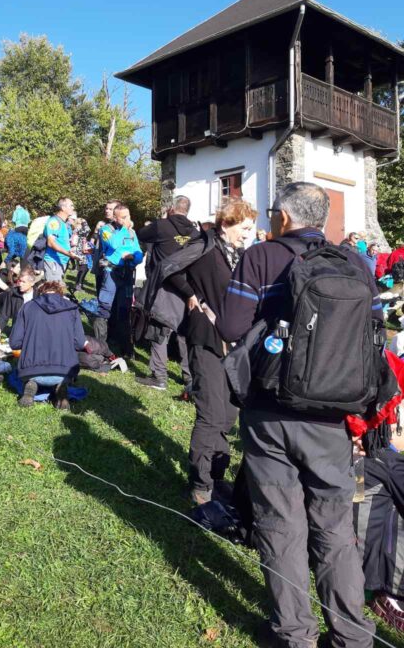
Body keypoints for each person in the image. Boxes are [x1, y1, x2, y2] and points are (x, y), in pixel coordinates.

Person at [217, 182, 380, 648]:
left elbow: (230, 325)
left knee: (279, 522)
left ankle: (294, 633)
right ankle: (352, 636)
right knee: (335, 526)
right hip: (333, 413)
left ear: (283, 217)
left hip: (269, 410)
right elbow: (371, 333)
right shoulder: (355, 263)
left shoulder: (261, 256)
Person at [168, 199, 256, 504]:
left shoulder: (237, 254)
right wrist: (190, 294)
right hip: (205, 337)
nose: (247, 234)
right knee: (211, 413)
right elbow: (171, 267)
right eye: (244, 228)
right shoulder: (205, 247)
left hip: (232, 342)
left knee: (229, 414)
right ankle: (201, 486)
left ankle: (217, 477)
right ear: (227, 223)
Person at [135, 195, 199, 392]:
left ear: (171, 208)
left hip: (163, 286)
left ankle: (159, 377)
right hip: (186, 289)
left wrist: (162, 219)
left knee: (159, 331)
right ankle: (189, 378)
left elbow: (141, 234)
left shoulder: (162, 226)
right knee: (184, 333)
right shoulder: (195, 232)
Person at [9, 280, 86, 409]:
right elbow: (79, 343)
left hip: (31, 370)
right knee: (62, 377)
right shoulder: (72, 308)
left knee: (21, 376)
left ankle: (31, 385)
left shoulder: (27, 307)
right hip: (64, 371)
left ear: (40, 293)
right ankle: (61, 388)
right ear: (60, 294)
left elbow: (14, 342)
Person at [93, 204, 143, 357]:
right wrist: (124, 229)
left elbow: (139, 252)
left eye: (128, 216)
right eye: (124, 217)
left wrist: (133, 257)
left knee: (124, 309)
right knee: (104, 307)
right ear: (115, 218)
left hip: (126, 274)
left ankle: (125, 348)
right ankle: (100, 346)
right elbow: (114, 244)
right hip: (111, 272)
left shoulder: (132, 232)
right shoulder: (106, 230)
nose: (128, 219)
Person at [43, 198, 79, 282]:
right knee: (52, 288)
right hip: (53, 261)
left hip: (61, 261)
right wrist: (68, 253)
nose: (73, 208)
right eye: (71, 205)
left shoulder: (63, 222)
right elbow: (51, 243)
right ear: (63, 208)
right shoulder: (54, 222)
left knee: (57, 287)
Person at [0, 268, 37, 332]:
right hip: (17, 329)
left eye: (23, 282)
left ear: (32, 283)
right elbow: (4, 314)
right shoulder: (13, 293)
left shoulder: (39, 295)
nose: (20, 284)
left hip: (34, 329)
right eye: (20, 281)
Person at [92, 200, 120, 293]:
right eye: (106, 208)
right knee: (100, 291)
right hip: (101, 263)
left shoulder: (121, 228)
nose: (107, 211)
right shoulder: (105, 226)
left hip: (113, 266)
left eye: (110, 209)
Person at [73, 218, 92, 291]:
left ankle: (79, 284)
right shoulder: (78, 230)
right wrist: (84, 222)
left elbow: (87, 231)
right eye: (83, 223)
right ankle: (78, 285)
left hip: (81, 251)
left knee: (84, 268)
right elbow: (88, 230)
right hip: (79, 251)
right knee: (83, 268)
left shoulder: (80, 230)